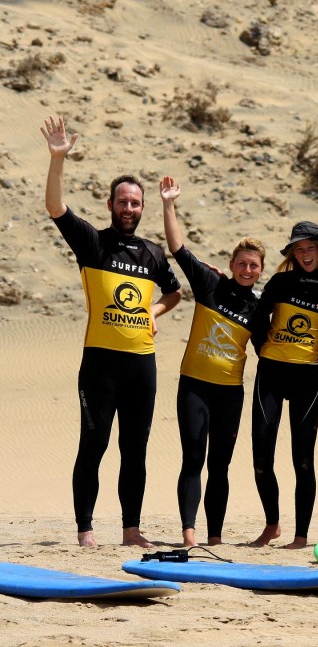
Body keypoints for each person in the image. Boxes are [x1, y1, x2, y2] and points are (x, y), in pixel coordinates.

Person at [40, 116, 182, 547]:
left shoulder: (152, 254)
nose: (129, 208)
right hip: (100, 365)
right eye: (123, 202)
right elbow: (54, 207)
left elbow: (175, 293)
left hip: (142, 366)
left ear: (142, 208)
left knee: (134, 451)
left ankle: (131, 530)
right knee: (94, 444)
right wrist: (58, 160)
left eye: (136, 203)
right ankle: (85, 529)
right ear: (111, 205)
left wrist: (155, 310)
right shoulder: (93, 243)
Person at [160, 176, 266, 547]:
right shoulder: (209, 284)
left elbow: (269, 350)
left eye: (254, 266)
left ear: (261, 270)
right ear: (232, 264)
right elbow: (178, 248)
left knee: (219, 466)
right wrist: (169, 203)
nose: (247, 270)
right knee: (193, 458)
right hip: (195, 386)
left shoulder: (257, 309)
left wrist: (313, 348)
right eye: (242, 263)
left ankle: (215, 536)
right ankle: (189, 533)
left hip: (229, 395)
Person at [249, 221, 318, 549]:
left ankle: (301, 536)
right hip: (271, 374)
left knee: (303, 460)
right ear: (293, 253)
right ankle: (271, 525)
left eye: (310, 248)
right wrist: (264, 346)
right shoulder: (280, 281)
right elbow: (257, 318)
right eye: (298, 249)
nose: (305, 254)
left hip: (306, 378)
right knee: (261, 458)